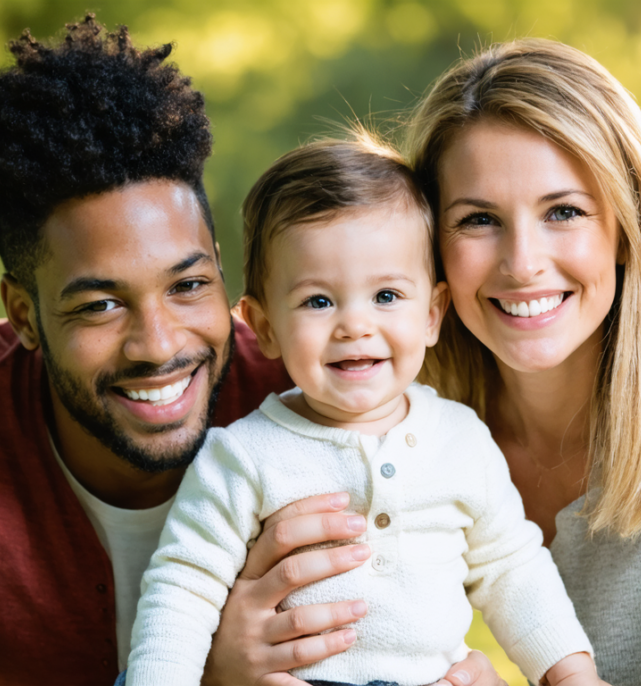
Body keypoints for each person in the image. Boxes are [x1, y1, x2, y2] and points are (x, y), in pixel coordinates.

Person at [0, 17, 513, 686]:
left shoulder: (327, 387)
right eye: (100, 305)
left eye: (188, 285)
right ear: (22, 313)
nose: (160, 345)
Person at [210, 39, 641, 686]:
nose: (522, 262)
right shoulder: (372, 392)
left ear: (627, 227)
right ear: (427, 246)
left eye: (564, 211)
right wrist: (221, 665)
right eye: (478, 220)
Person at [124, 137, 599, 686]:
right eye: (319, 301)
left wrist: (571, 674)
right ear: (265, 326)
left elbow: (511, 569)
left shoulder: (460, 439)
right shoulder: (241, 457)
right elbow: (184, 586)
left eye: (387, 296)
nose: (355, 326)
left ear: (432, 314)